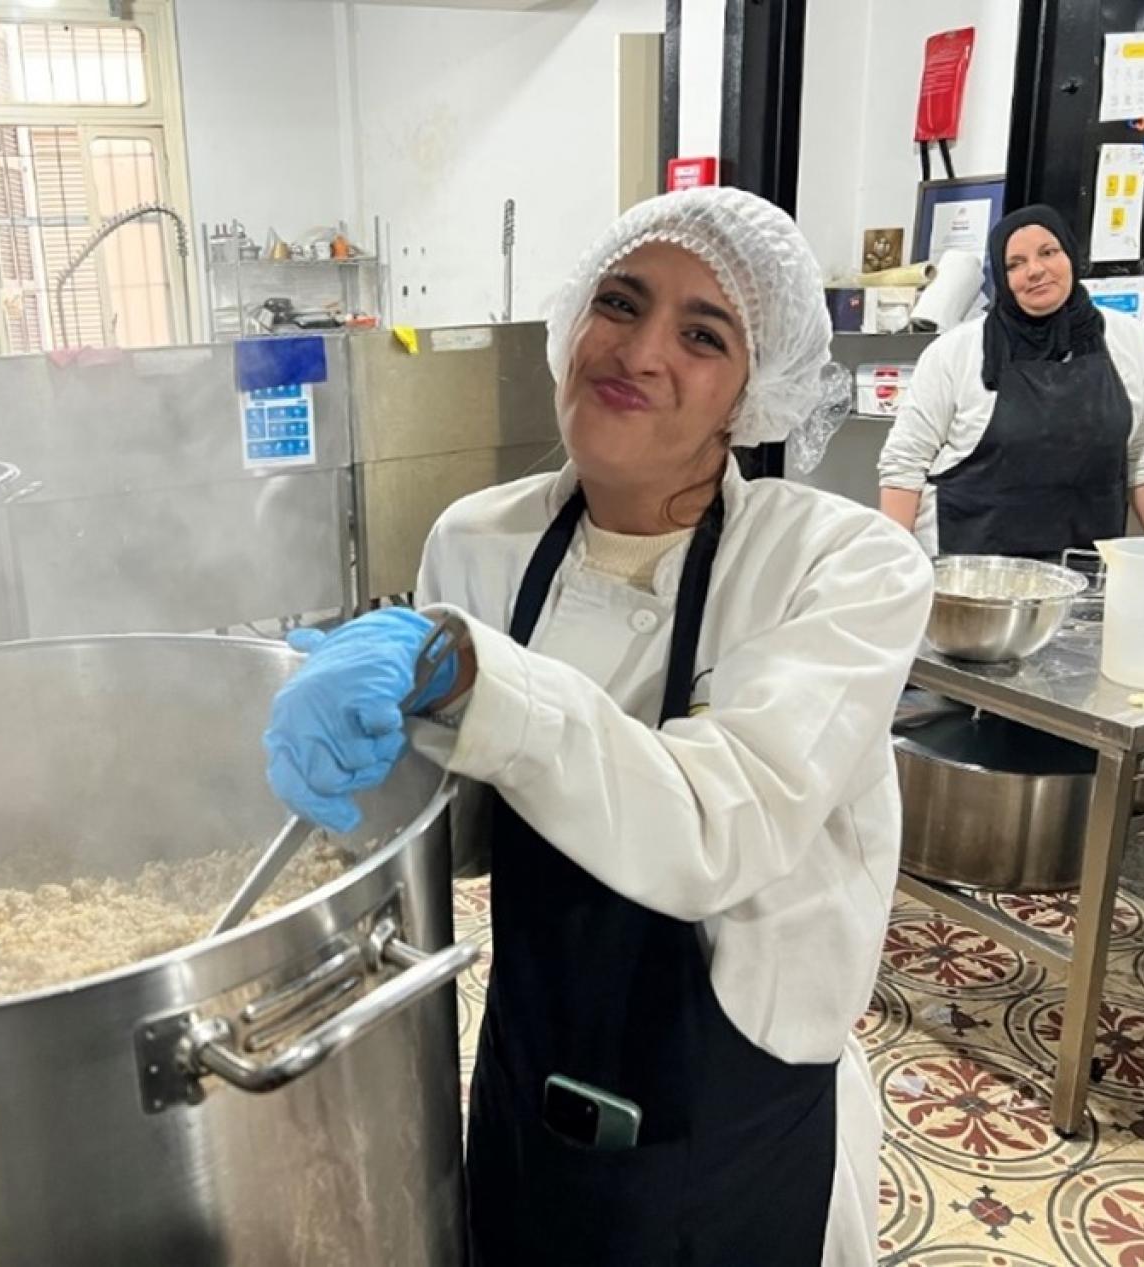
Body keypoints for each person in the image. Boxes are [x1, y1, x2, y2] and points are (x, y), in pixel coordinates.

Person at [261, 187, 933, 1266]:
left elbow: (720, 824)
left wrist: (472, 678)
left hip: (733, 1113)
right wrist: (372, 754)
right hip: (531, 1079)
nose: (639, 349)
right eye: (618, 302)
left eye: (702, 333)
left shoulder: (839, 566)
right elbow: (470, 826)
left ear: (748, 393)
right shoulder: (478, 539)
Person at [877, 204, 1144, 557]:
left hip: (1084, 566)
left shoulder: (1129, 340)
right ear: (1002, 280)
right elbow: (904, 461)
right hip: (970, 567)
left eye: (1048, 253)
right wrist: (894, 558)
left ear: (1070, 255)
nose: (1035, 271)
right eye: (1014, 264)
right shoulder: (955, 352)